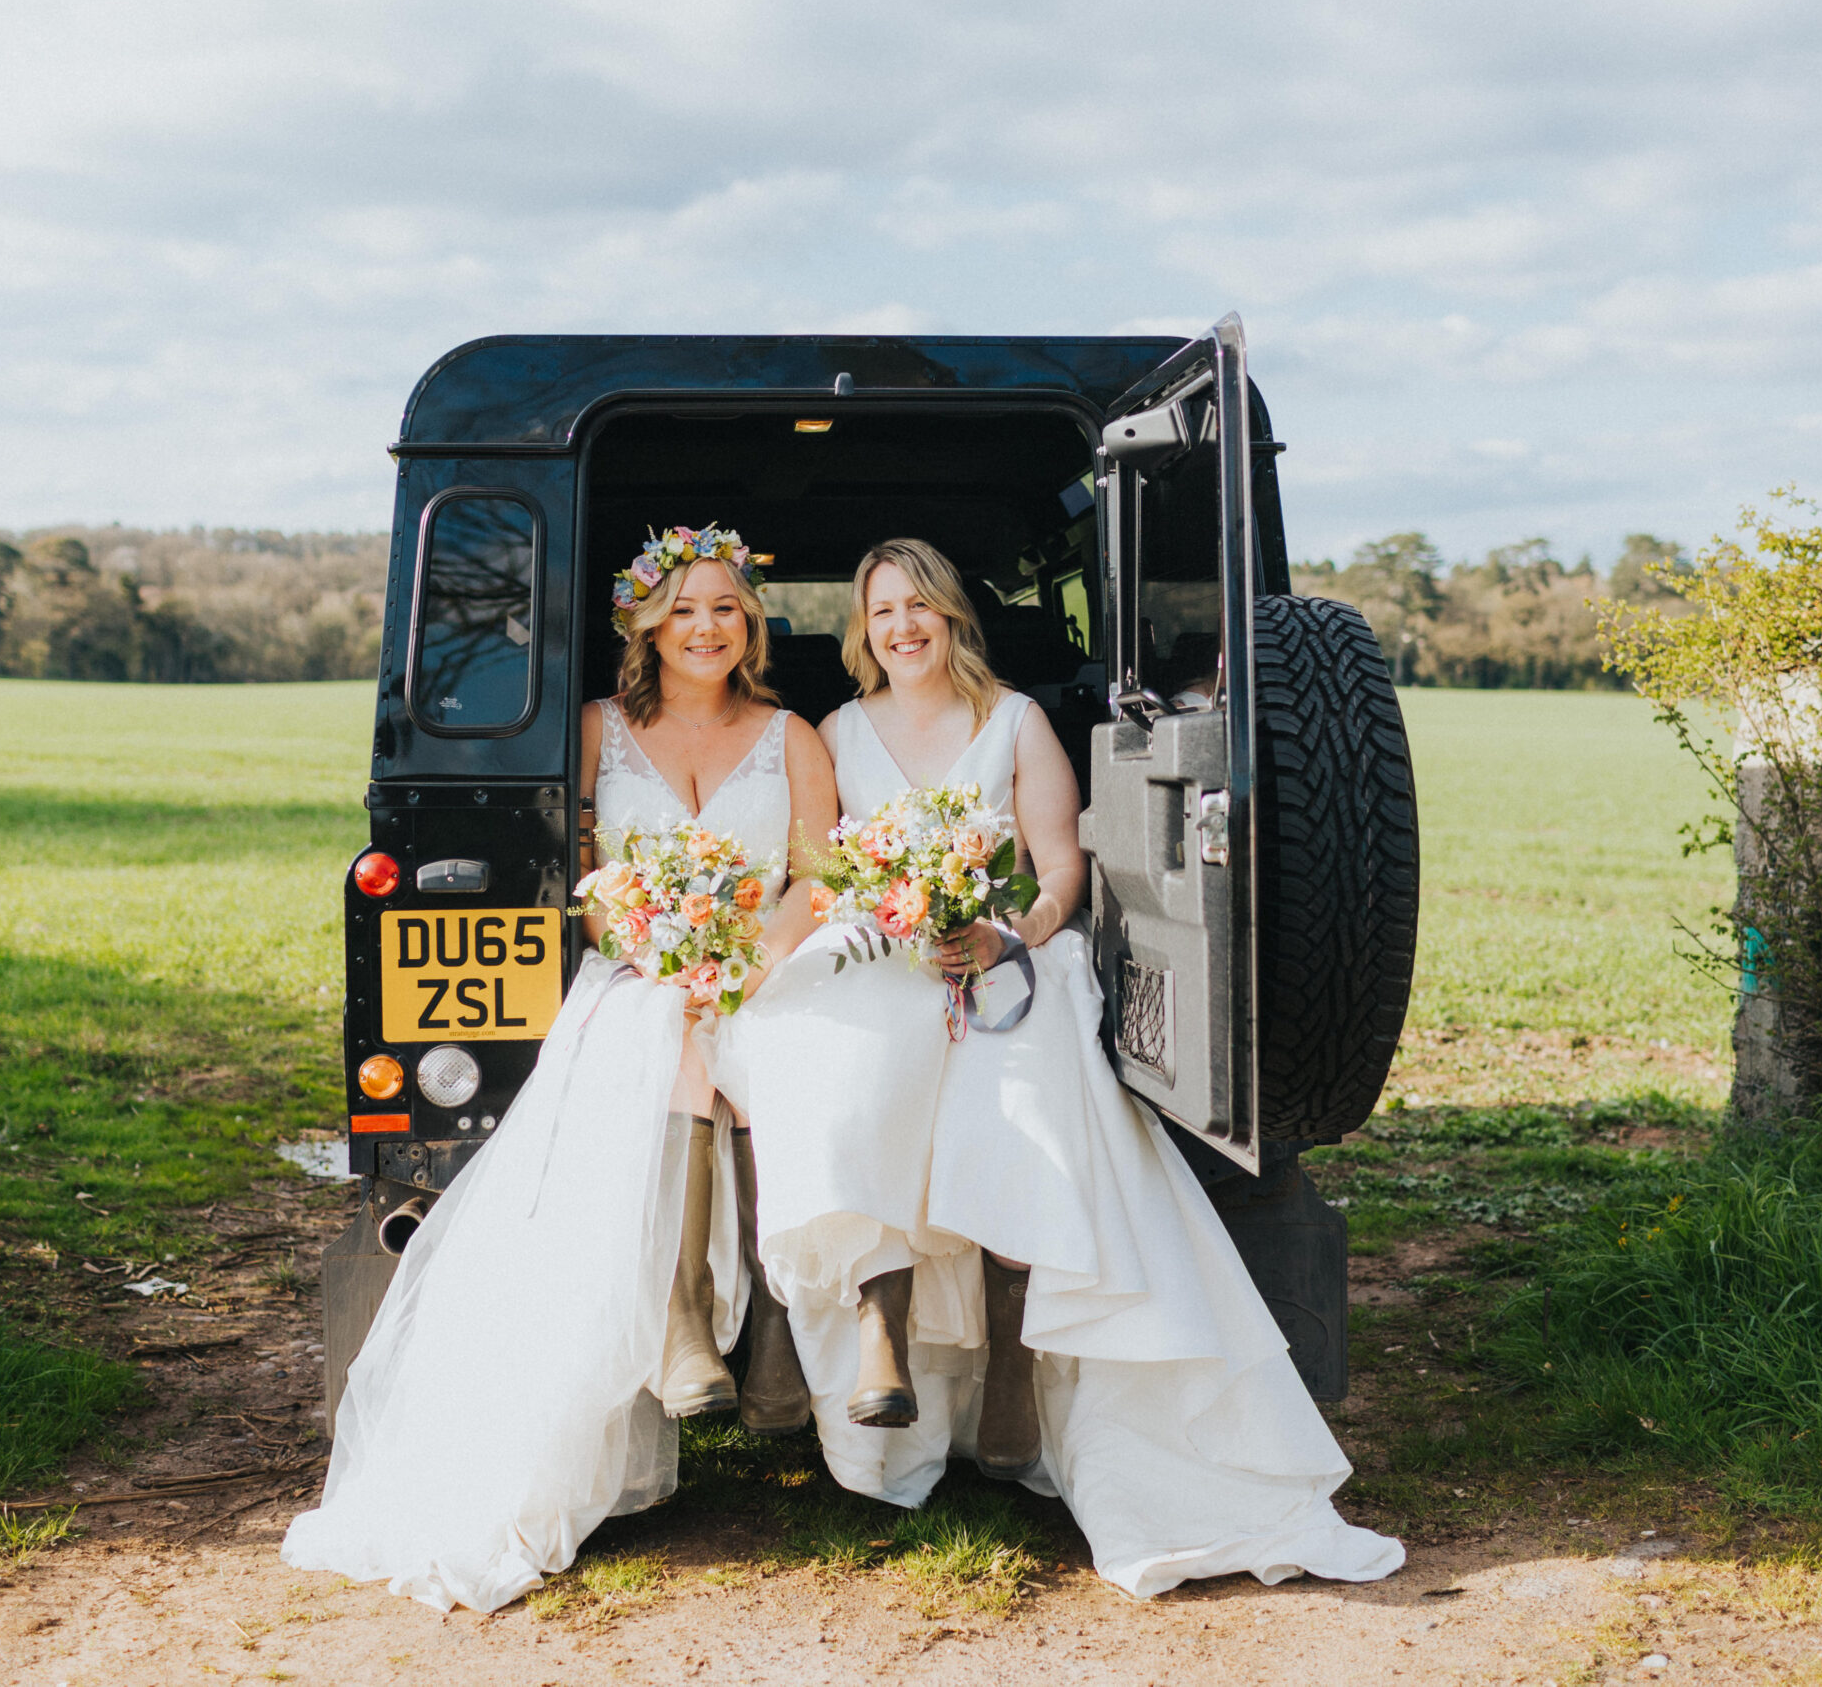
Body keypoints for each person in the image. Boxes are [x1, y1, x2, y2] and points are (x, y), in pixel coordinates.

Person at [734, 537, 1404, 1600]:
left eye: (921, 607)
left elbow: (1058, 874)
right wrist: (877, 922)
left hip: (1000, 949)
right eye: (882, 611)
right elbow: (822, 873)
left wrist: (1004, 935)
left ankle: (1012, 1367)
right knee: (830, 1051)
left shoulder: (1014, 720)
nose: (902, 626)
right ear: (863, 630)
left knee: (1027, 1085)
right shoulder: (834, 730)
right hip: (880, 949)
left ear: (953, 617)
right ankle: (876, 1325)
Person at [281, 529, 834, 1611]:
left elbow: (815, 879)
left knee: (763, 1047)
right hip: (637, 969)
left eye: (725, 608)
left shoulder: (792, 736)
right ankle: (686, 1332)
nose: (706, 627)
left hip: (766, 972)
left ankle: (762, 1338)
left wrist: (747, 967)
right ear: (642, 626)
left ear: (750, 623)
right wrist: (650, 938)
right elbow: (572, 869)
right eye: (683, 611)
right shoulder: (594, 730)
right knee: (662, 1035)